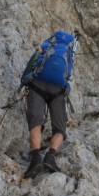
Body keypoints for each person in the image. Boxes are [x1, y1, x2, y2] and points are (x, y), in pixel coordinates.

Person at [21, 31, 76, 179]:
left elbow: (34, 58)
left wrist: (24, 80)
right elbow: (69, 72)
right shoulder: (70, 51)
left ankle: (36, 158)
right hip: (58, 90)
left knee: (35, 122)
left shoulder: (48, 44)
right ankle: (50, 157)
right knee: (60, 129)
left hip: (37, 85)